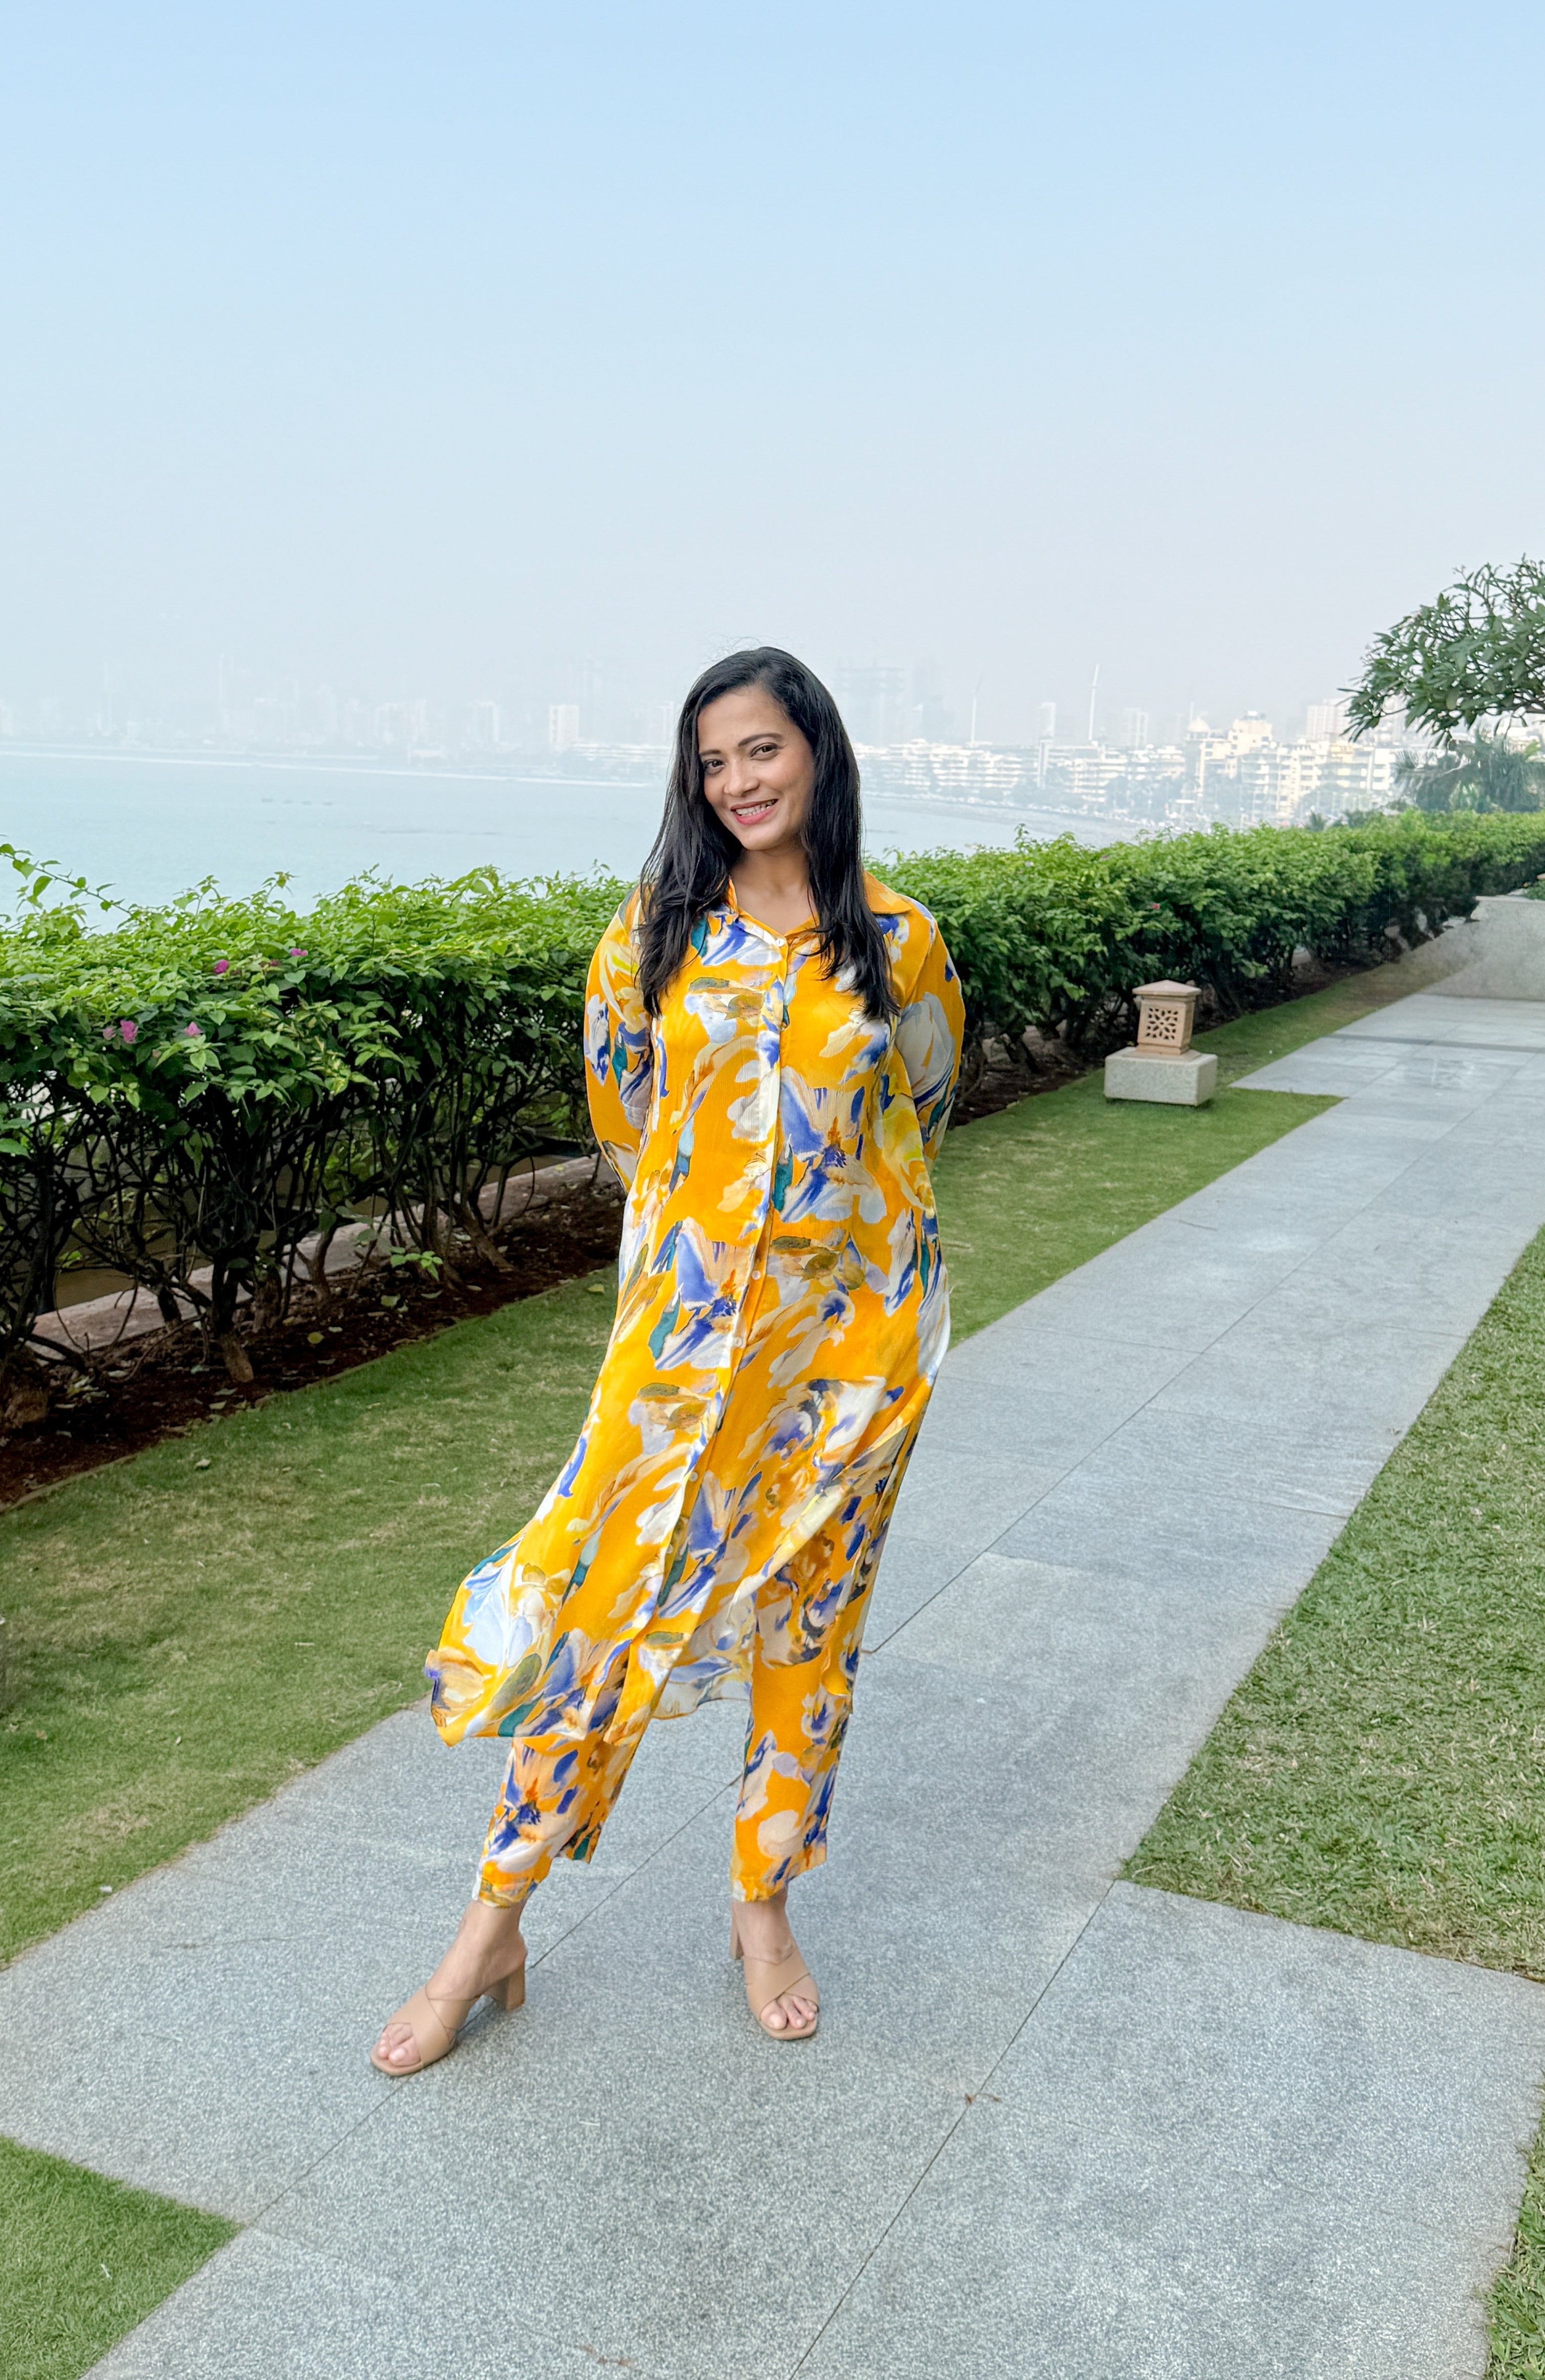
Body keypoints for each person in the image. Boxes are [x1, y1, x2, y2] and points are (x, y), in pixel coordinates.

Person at [370, 647, 964, 2069]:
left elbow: (922, 1109)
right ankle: (491, 1924)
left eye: (762, 749)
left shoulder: (900, 940)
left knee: (810, 1632)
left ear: (816, 751)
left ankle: (764, 1909)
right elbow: (627, 1115)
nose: (738, 781)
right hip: (683, 1356)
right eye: (713, 762)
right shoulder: (652, 933)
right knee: (604, 1615)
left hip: (852, 1358)